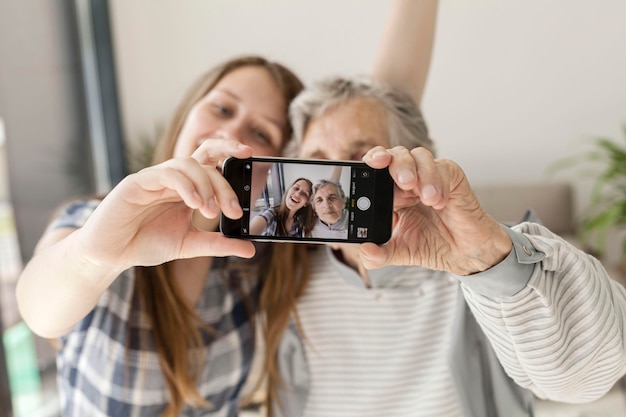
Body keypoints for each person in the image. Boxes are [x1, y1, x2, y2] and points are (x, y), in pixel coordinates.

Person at [262, 80, 626, 417]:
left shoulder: (479, 265)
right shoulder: (285, 281)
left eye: (360, 154)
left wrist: (486, 260)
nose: (335, 174)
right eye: (318, 159)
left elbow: (585, 380)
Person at [16, 55, 304, 417]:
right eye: (222, 108)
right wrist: (97, 255)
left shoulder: (256, 258)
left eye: (261, 133)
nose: (231, 135)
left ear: (277, 169)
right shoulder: (98, 221)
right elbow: (39, 312)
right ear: (186, 115)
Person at [249, 177, 314, 237]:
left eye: (304, 194)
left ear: (306, 203)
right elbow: (253, 229)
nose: (297, 194)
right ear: (289, 190)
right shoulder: (271, 214)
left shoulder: (299, 224)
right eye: (296, 188)